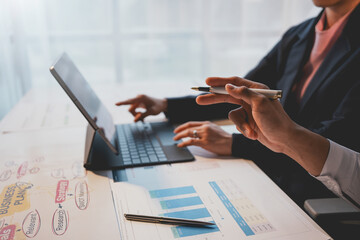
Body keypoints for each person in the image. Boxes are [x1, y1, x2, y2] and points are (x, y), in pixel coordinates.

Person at [116, 0, 360, 206]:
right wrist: (167, 104)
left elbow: (337, 139)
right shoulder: (300, 33)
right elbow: (243, 93)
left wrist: (233, 143)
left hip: (309, 189)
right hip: (271, 172)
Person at [196, 77, 360, 207]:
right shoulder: (300, 34)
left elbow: (340, 135)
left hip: (307, 193)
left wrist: (235, 143)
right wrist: (172, 106)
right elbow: (239, 93)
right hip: (275, 183)